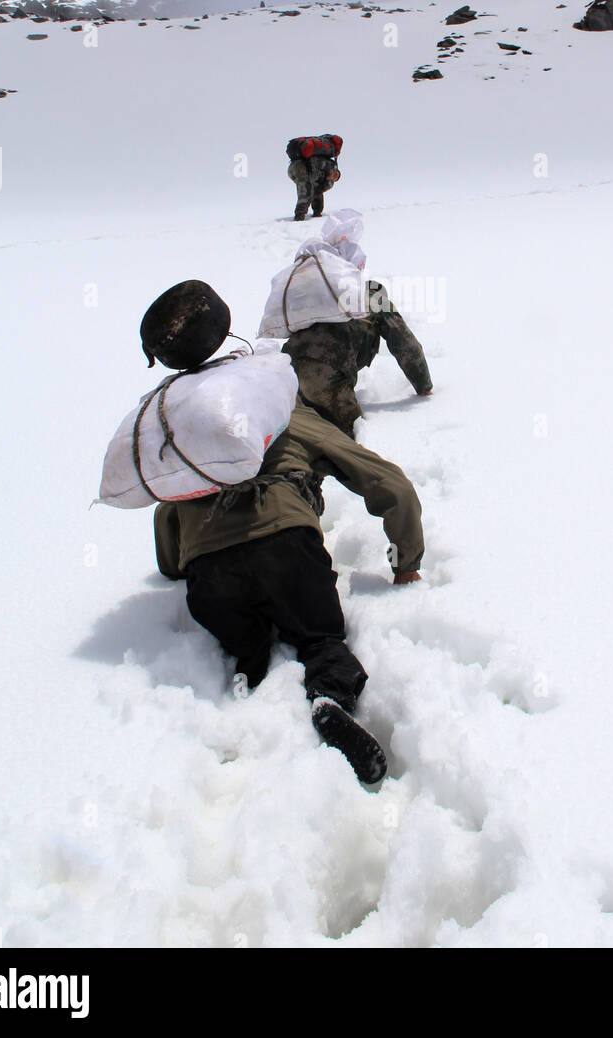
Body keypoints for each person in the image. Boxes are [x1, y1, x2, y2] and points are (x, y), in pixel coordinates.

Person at [143, 282, 423, 785]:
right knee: (318, 639)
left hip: (211, 574)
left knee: (245, 640)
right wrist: (407, 561)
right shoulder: (283, 407)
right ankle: (328, 700)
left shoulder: (184, 429)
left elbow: (168, 522)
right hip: (288, 547)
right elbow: (389, 484)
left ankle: (251, 685)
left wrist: (175, 566)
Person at [282, 280, 433, 439]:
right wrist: (424, 386)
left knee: (299, 436)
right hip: (326, 373)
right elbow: (406, 345)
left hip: (288, 373)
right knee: (350, 443)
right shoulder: (378, 302)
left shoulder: (330, 299)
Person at [286, 134, 342, 221]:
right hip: (300, 168)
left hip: (294, 167)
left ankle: (316, 212)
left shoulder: (326, 162)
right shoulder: (328, 164)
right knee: (307, 188)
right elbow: (316, 187)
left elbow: (319, 188)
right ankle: (300, 216)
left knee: (314, 186)